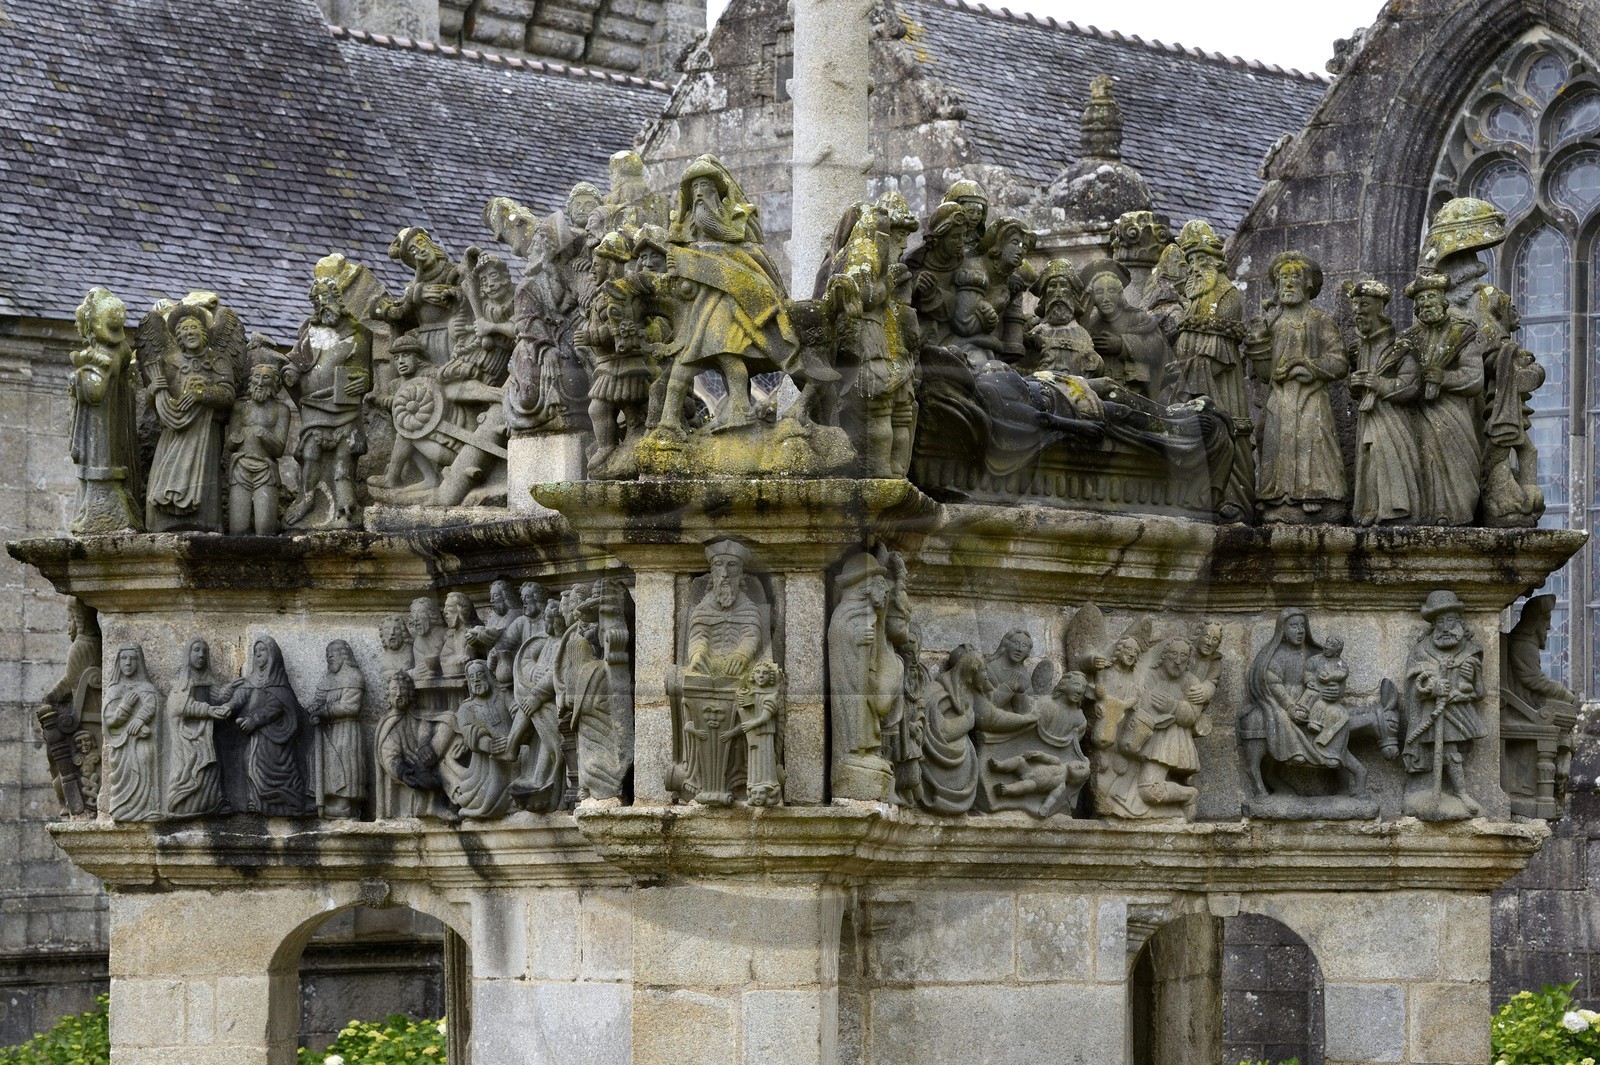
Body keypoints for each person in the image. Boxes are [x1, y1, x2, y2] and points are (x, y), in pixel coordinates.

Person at [653, 155, 800, 437]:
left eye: (704, 184)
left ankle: (737, 410)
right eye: (694, 186)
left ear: (718, 190)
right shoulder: (689, 232)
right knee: (690, 364)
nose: (698, 191)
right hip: (701, 307)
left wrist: (692, 263)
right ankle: (670, 422)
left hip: (727, 306)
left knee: (727, 357)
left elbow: (744, 267)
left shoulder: (736, 225)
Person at [1243, 252, 1348, 521]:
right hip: (1278, 396)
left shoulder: (1320, 320)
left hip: (1310, 396)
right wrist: (1257, 346)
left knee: (1312, 438)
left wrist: (1309, 367)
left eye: (1295, 277)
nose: (1289, 283)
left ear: (1308, 284)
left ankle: (1315, 494)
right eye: (1283, 278)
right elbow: (1264, 373)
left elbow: (1339, 362)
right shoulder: (1271, 323)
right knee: (1276, 438)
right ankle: (1277, 498)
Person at [1166, 220, 1252, 521]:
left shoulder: (1228, 294)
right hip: (1191, 375)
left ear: (1215, 261)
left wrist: (1192, 368)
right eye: (1190, 260)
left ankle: (1235, 500)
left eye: (1201, 259)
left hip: (1220, 384)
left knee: (1227, 431)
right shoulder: (1192, 300)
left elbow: (1220, 352)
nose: (1194, 267)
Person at [1395, 274, 1484, 525]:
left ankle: (1458, 516)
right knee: (1426, 461)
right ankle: (1430, 514)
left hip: (1453, 414)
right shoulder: (1407, 339)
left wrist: (1444, 377)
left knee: (1456, 463)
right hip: (1418, 415)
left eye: (1431, 297)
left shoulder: (1463, 333)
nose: (1426, 303)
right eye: (1421, 299)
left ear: (1443, 300)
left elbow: (1475, 377)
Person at [1392, 590, 1487, 817]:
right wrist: (1431, 687)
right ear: (1433, 625)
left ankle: (1459, 793)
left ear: (1460, 623)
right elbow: (1414, 682)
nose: (1445, 627)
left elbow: (1480, 693)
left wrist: (1474, 676)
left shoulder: (1471, 652)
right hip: (1432, 714)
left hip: (1458, 712)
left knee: (1453, 752)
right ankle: (1448, 792)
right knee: (1448, 751)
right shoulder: (1421, 651)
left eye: (1451, 620)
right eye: (1440, 621)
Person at [146, 305, 236, 532]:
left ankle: (202, 521)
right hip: (173, 429)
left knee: (202, 481)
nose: (189, 333)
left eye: (194, 328)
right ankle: (165, 522)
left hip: (205, 433)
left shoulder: (218, 361)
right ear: (178, 337)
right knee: (165, 477)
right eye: (184, 330)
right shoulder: (169, 362)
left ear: (203, 332)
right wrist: (152, 391)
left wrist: (201, 394)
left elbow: (228, 395)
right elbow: (152, 402)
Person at [1344, 279, 1421, 525]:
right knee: (1368, 458)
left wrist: (1378, 384)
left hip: (1392, 417)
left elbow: (1411, 384)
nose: (1358, 311)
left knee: (1385, 456)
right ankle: (1370, 508)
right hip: (1368, 416)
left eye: (1364, 305)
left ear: (1379, 308)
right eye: (1355, 306)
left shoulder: (1400, 346)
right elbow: (1360, 388)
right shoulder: (1359, 349)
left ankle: (1394, 509)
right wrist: (1355, 385)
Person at [210, 636, 312, 816]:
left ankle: (290, 802)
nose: (258, 656)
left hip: (275, 738)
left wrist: (254, 720)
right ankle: (256, 801)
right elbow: (239, 698)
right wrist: (227, 707)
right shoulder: (250, 682)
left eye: (263, 651)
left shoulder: (280, 685)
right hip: (257, 738)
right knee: (250, 762)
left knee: (281, 771)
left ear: (272, 655)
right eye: (256, 653)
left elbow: (276, 707)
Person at [166, 637, 230, 817]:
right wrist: (209, 710)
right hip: (188, 738)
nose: (201, 654)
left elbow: (219, 699)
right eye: (196, 650)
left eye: (204, 651)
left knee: (211, 770)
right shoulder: (183, 682)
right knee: (190, 772)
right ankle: (182, 806)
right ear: (188, 654)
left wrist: (227, 695)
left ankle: (211, 804)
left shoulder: (210, 681)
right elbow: (179, 706)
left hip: (209, 736)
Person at [226, 362, 291, 535]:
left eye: (266, 377)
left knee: (266, 529)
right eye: (257, 377)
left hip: (266, 470)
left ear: (274, 383)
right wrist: (235, 438)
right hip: (240, 468)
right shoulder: (240, 407)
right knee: (237, 530)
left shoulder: (281, 410)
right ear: (251, 380)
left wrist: (264, 434)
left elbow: (279, 450)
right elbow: (230, 445)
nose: (260, 382)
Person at [308, 640, 368, 818]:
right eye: (327, 653)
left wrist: (325, 710)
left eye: (333, 652)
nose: (329, 656)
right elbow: (317, 699)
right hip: (328, 731)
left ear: (344, 655)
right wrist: (314, 708)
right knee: (328, 763)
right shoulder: (327, 679)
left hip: (347, 729)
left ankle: (345, 804)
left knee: (346, 762)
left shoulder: (354, 676)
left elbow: (351, 707)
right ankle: (330, 800)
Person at [103, 644, 162, 821]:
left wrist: (140, 720)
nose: (128, 663)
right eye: (124, 659)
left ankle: (149, 808)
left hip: (143, 743)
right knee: (124, 778)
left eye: (132, 658)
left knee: (145, 765)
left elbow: (153, 706)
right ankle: (122, 809)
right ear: (118, 663)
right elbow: (110, 722)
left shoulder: (147, 688)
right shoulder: (114, 690)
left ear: (139, 662)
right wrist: (126, 707)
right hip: (121, 748)